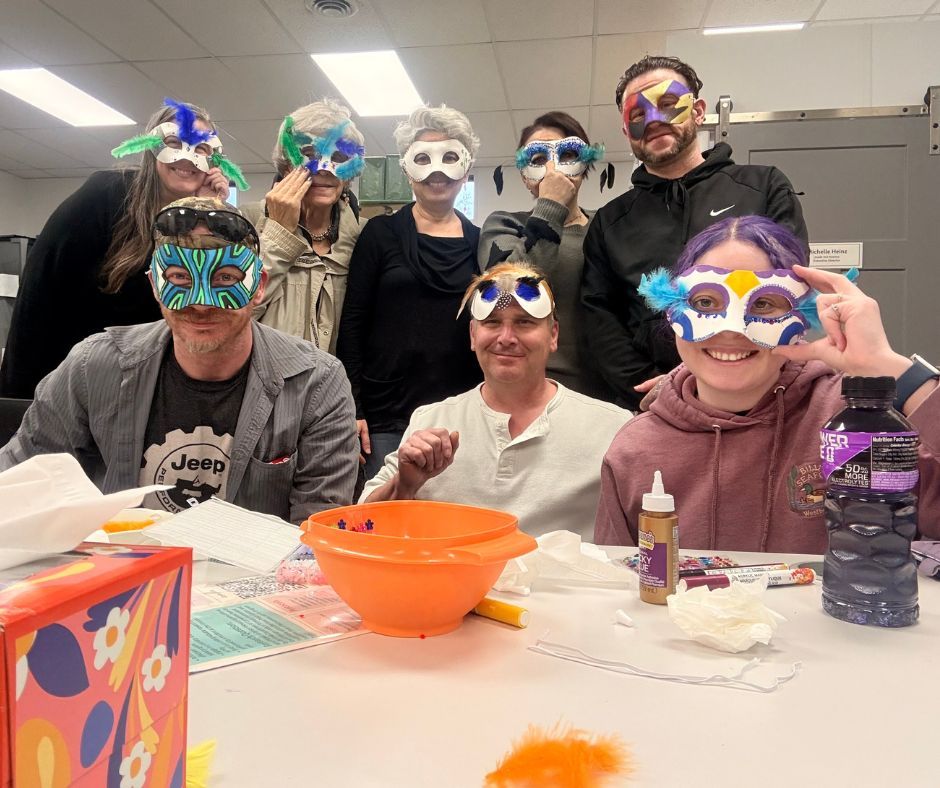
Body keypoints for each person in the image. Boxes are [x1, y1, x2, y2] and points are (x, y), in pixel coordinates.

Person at [0, 197, 358, 524]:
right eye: (179, 278)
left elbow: (318, 535)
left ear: (258, 285)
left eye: (226, 278)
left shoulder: (316, 383)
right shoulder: (92, 367)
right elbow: (19, 483)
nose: (201, 302)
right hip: (121, 577)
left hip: (252, 583)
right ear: (155, 285)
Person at [594, 215, 940, 552]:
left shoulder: (861, 422)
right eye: (705, 302)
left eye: (763, 303)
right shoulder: (635, 449)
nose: (731, 329)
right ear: (671, 309)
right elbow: (616, 586)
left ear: (803, 315)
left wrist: (888, 368)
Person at [581, 55, 808, 410]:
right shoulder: (610, 221)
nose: (654, 120)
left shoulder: (763, 186)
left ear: (698, 111)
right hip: (652, 405)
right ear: (627, 131)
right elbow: (600, 318)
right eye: (638, 115)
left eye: (668, 105)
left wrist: (728, 376)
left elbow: (789, 287)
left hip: (761, 393)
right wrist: (647, 390)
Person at [0, 99, 246, 399]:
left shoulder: (195, 221)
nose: (187, 157)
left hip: (144, 387)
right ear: (152, 146)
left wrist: (208, 211)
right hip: (72, 380)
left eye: (201, 149)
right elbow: (39, 289)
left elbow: (203, 299)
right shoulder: (106, 195)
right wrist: (20, 396)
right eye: (173, 142)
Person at [363, 264, 631, 538]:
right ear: (472, 335)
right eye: (492, 323)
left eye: (524, 322)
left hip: (567, 581)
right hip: (456, 579)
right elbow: (361, 528)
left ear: (553, 335)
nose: (506, 338)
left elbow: (655, 528)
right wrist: (404, 487)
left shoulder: (613, 428)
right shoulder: (431, 420)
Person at [337, 105, 483, 481]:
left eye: (449, 157)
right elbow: (352, 323)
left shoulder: (481, 244)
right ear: (407, 169)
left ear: (465, 168)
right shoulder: (379, 234)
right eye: (423, 158)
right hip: (386, 413)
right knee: (388, 518)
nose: (437, 171)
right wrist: (354, 408)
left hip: (459, 410)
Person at [479, 111, 611, 400]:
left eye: (566, 155)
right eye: (538, 160)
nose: (552, 168)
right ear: (526, 177)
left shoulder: (608, 227)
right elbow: (506, 292)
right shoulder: (505, 225)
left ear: (584, 164)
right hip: (524, 391)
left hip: (601, 393)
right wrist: (551, 205)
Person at [243, 98, 365, 353]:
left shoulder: (365, 237)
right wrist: (277, 233)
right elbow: (233, 317)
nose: (325, 168)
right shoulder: (246, 223)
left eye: (339, 157)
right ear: (286, 164)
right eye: (309, 154)